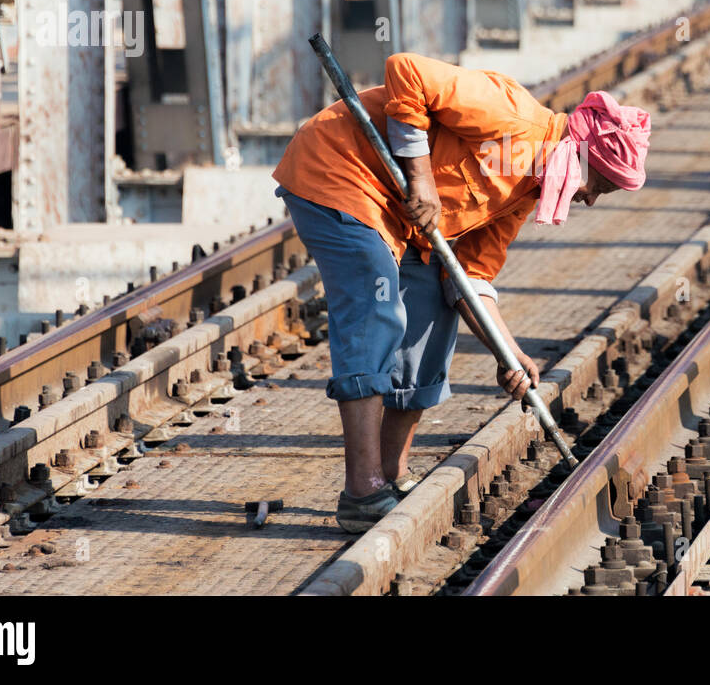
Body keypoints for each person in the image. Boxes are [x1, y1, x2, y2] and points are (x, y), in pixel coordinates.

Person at [273, 52, 652, 533]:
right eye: (599, 185)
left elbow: (468, 276)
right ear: (583, 157)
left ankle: (392, 475)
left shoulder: (525, 190)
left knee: (432, 303)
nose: (592, 199)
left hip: (401, 219)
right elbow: (405, 69)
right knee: (377, 304)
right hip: (338, 171)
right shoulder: (512, 115)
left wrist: (509, 353)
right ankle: (363, 492)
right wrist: (423, 180)